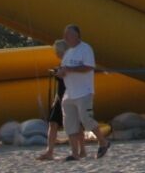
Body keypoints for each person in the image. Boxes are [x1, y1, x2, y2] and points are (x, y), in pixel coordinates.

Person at [57, 24, 111, 160]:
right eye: (65, 35)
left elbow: (88, 67)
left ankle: (103, 142)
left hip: (84, 92)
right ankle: (75, 153)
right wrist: (60, 73)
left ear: (76, 35)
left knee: (87, 119)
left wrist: (69, 69)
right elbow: (64, 69)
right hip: (69, 93)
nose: (65, 37)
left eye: (68, 34)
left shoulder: (85, 49)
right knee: (69, 124)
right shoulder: (68, 53)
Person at [36, 39, 69, 161]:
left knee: (75, 124)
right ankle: (49, 151)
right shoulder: (64, 62)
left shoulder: (70, 62)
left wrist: (58, 72)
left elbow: (65, 76)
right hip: (59, 96)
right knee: (53, 123)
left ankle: (81, 150)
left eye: (57, 51)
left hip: (68, 96)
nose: (56, 53)